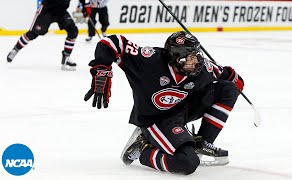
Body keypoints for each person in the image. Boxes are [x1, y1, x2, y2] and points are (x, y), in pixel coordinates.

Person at [83, 31, 244, 175]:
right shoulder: (148, 60)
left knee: (228, 89)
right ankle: (143, 148)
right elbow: (111, 42)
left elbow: (229, 76)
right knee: (187, 163)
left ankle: (202, 141)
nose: (197, 61)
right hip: (155, 119)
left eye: (197, 54)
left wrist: (235, 80)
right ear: (176, 57)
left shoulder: (201, 68)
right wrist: (102, 71)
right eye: (191, 56)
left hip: (182, 109)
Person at [6, 0, 91, 71]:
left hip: (61, 12)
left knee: (73, 31)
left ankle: (66, 58)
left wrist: (85, 6)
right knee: (33, 34)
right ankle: (16, 49)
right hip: (46, 10)